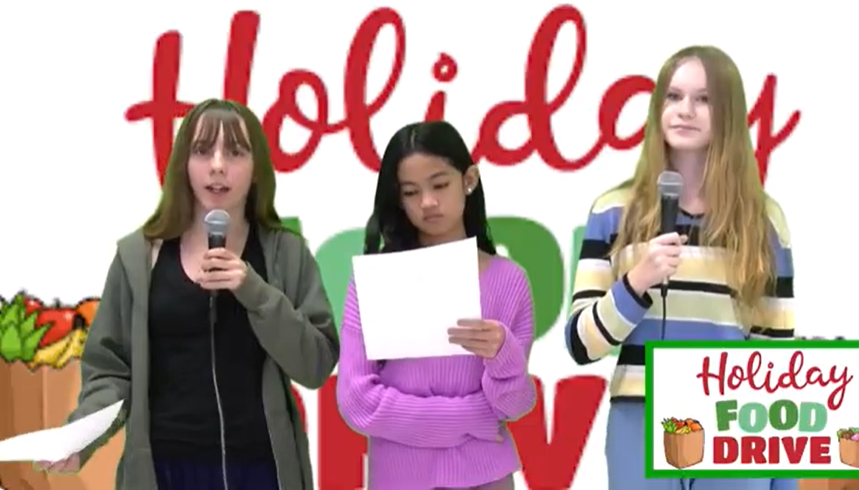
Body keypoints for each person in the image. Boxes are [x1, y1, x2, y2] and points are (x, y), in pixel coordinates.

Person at [35, 99, 340, 490]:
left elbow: (316, 364)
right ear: (182, 164)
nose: (217, 165)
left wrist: (255, 291)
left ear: (257, 168)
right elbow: (110, 371)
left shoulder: (286, 253)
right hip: (165, 470)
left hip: (261, 468)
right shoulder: (137, 257)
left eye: (234, 152)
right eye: (201, 151)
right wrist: (82, 436)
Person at [564, 46, 797, 490]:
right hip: (639, 416)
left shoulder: (762, 222)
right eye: (673, 97)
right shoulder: (613, 213)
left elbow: (776, 360)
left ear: (728, 112)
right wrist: (636, 284)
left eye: (703, 99)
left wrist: (783, 478)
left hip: (732, 421)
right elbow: (580, 344)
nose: (685, 110)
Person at [336, 121, 537, 490]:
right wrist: (470, 416)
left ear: (469, 179)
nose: (427, 202)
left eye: (440, 184)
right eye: (411, 192)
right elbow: (357, 400)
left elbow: (514, 405)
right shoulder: (374, 281)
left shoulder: (509, 281)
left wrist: (503, 354)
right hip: (399, 479)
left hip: (486, 478)